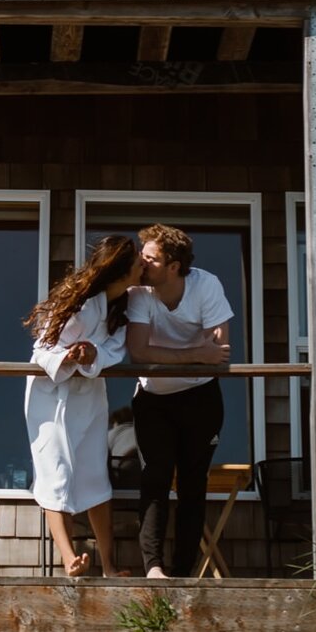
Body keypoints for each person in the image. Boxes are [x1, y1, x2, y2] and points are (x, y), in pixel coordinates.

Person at [123, 222, 235, 578]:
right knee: (154, 479)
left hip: (200, 397)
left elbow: (217, 352)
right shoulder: (139, 292)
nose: (142, 264)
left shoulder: (206, 285)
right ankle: (154, 568)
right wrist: (193, 355)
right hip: (153, 399)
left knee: (192, 484)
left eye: (151, 259)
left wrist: (192, 356)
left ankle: (184, 572)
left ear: (174, 266)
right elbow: (138, 352)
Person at [22, 235, 138, 577]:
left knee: (93, 474)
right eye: (137, 265)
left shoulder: (122, 307)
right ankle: (68, 558)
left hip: (87, 394)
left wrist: (93, 356)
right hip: (50, 395)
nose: (142, 268)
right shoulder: (78, 305)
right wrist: (69, 357)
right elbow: (43, 349)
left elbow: (115, 351)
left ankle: (110, 567)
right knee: (54, 470)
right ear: (120, 271)